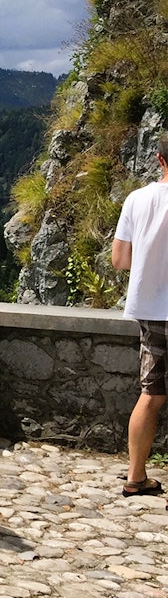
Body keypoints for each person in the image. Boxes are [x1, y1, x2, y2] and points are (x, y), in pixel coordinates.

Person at [111, 135, 168, 498]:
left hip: (152, 311)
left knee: (151, 395)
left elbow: (120, 260)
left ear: (160, 159)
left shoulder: (137, 198)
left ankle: (135, 476)